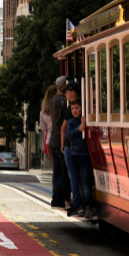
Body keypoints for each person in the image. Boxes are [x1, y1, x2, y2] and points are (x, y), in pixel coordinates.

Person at [65, 98, 94, 219]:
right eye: (72, 108)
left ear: (82, 108)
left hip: (84, 155)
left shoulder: (85, 120)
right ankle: (82, 205)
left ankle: (88, 207)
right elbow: (68, 135)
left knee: (85, 182)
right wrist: (78, 129)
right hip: (74, 155)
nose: (74, 110)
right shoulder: (72, 122)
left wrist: (83, 126)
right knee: (79, 183)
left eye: (77, 108)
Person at [48, 76, 71, 209]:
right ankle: (57, 197)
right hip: (60, 139)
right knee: (65, 171)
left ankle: (56, 198)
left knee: (57, 171)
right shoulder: (63, 100)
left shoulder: (51, 100)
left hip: (53, 139)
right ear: (63, 86)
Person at [60, 81, 81, 215]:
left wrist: (62, 144)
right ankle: (80, 203)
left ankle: (76, 203)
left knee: (72, 174)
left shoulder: (70, 108)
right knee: (80, 176)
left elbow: (63, 128)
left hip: (70, 145)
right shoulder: (82, 105)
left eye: (66, 92)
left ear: (72, 92)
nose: (65, 95)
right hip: (80, 146)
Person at [40, 85, 57, 172]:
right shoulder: (58, 106)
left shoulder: (43, 111)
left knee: (54, 168)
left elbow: (43, 128)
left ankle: (54, 186)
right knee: (61, 168)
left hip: (48, 140)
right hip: (58, 138)